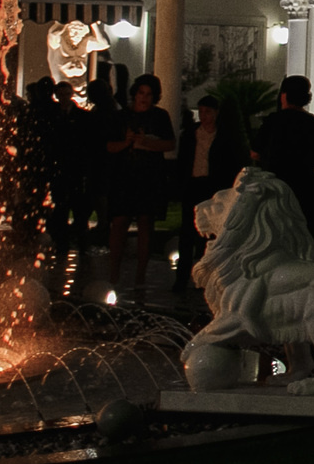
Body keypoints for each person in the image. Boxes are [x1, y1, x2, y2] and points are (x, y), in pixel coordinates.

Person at [104, 75, 175, 299]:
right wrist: (127, 142)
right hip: (124, 176)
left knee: (146, 223)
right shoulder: (120, 117)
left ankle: (140, 276)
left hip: (149, 177)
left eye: (149, 95)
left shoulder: (160, 116)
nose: (144, 98)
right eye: (141, 93)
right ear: (134, 93)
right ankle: (113, 273)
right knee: (119, 223)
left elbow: (170, 143)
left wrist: (146, 143)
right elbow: (109, 146)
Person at [172, 94, 249, 292]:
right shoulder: (191, 134)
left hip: (211, 186)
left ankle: (204, 276)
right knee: (187, 232)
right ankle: (182, 278)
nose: (204, 116)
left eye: (208, 112)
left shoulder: (222, 136)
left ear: (215, 113)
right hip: (193, 185)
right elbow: (183, 161)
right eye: (202, 112)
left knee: (206, 234)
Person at [254, 75, 314, 210]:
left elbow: (255, 153)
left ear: (284, 95)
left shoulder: (273, 121)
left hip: (273, 187)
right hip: (304, 187)